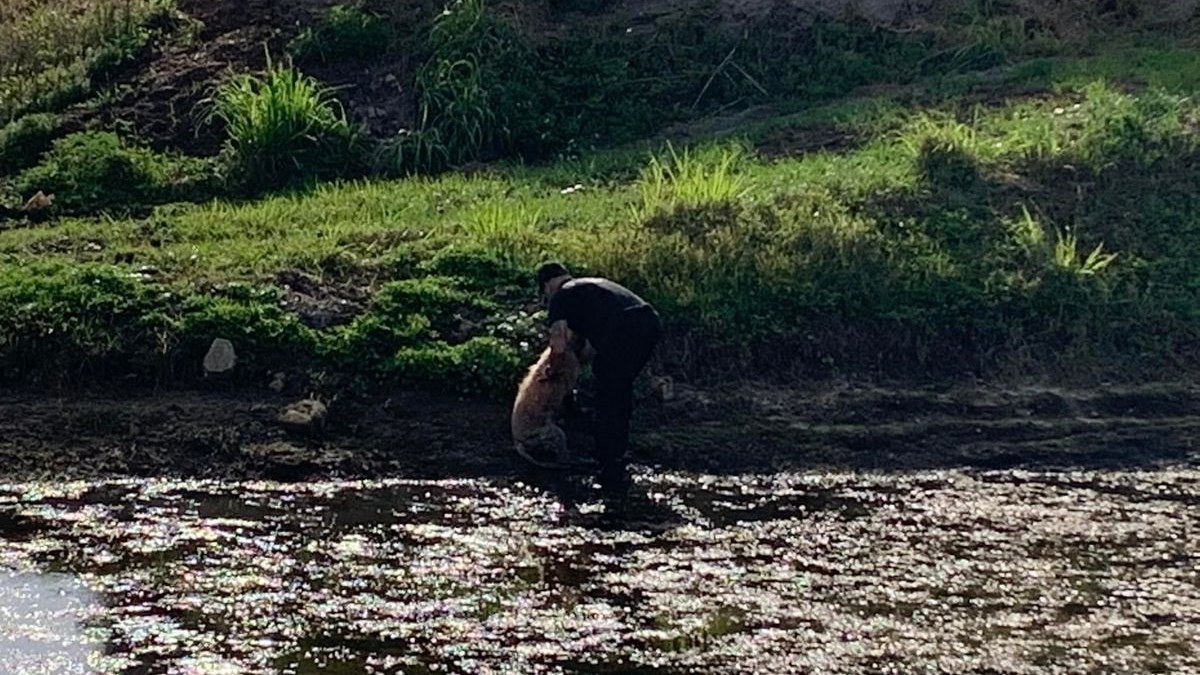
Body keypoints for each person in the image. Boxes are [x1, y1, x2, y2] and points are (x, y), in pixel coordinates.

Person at [535, 262, 662, 488]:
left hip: (623, 328)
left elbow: (558, 346)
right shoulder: (590, 287)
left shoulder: (560, 296)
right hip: (649, 322)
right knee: (618, 386)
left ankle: (607, 462)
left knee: (608, 392)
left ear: (547, 286)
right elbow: (586, 346)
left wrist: (552, 370)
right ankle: (617, 454)